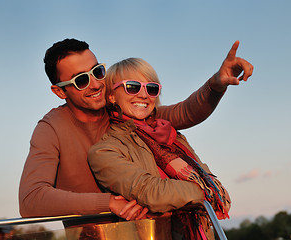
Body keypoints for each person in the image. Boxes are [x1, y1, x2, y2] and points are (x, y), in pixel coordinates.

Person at [18, 38, 253, 220]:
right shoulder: (52, 128)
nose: (95, 84)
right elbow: (31, 199)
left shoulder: (126, 113)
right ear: (60, 91)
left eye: (98, 72)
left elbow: (186, 112)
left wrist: (216, 83)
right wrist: (108, 203)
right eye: (81, 80)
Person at [87, 57, 232, 239]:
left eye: (151, 88)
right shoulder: (105, 150)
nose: (143, 95)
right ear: (111, 96)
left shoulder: (173, 136)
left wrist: (203, 189)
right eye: (132, 86)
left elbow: (211, 181)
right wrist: (207, 191)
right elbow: (152, 193)